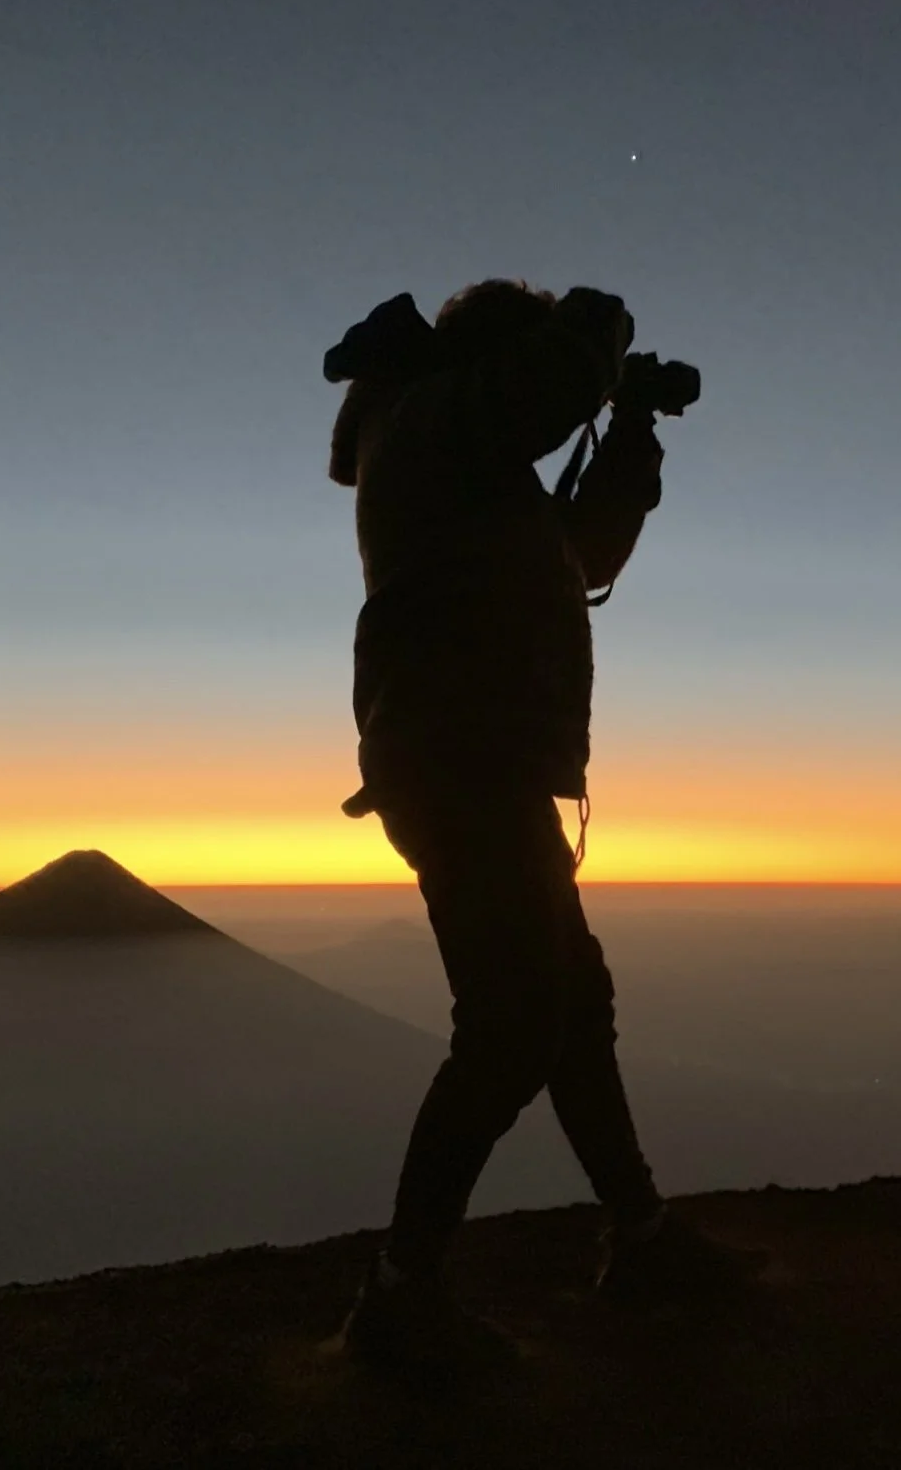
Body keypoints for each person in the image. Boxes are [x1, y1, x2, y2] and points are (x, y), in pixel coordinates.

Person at [323, 280, 759, 1376]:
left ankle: (640, 1232)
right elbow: (547, 383)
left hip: (484, 766)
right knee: (515, 1019)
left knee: (569, 1005)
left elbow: (588, 557)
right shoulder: (428, 423)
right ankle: (399, 1296)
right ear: (492, 361)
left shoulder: (469, 465)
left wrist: (632, 429)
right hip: (459, 766)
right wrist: (595, 328)